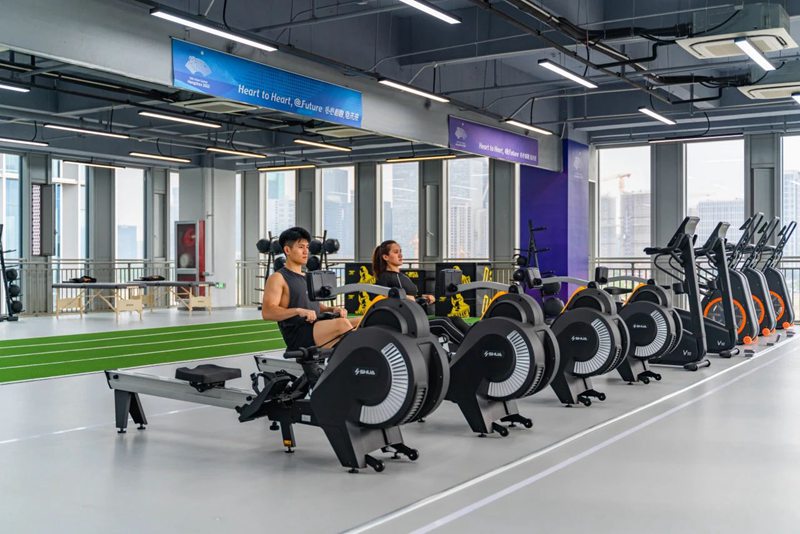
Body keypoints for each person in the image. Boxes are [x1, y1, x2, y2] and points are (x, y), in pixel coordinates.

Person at [262, 227, 357, 350]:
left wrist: (332, 309)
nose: (306, 251)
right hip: (299, 335)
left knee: (362, 321)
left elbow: (313, 304)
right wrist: (298, 311)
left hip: (317, 326)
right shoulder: (278, 278)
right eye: (301, 247)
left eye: (307, 247)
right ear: (287, 250)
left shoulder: (307, 277)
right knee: (341, 324)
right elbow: (267, 312)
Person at [371, 240, 436, 305]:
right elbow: (382, 299)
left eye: (400, 252)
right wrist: (406, 297)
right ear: (385, 257)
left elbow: (411, 296)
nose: (400, 255)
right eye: (396, 252)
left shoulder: (402, 276)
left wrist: (424, 297)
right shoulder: (384, 276)